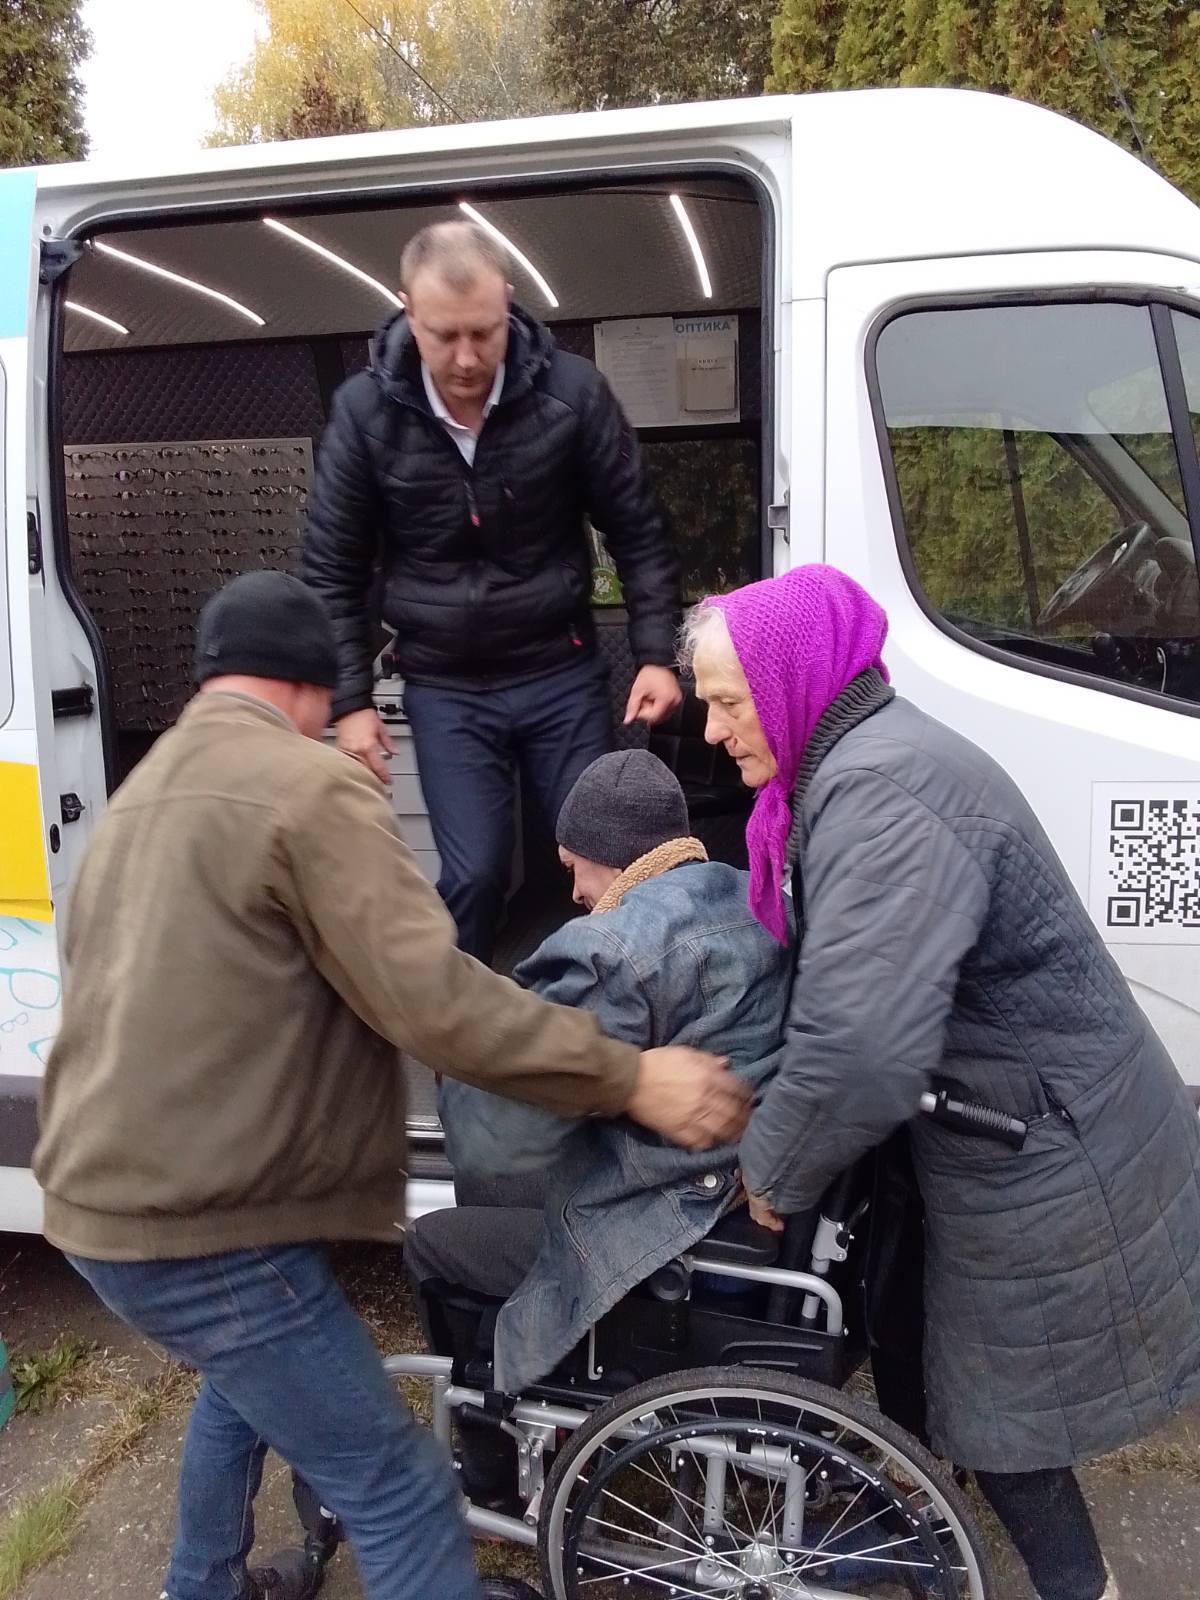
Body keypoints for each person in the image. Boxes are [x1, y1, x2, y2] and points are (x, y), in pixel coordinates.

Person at [32, 572, 749, 1600]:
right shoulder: (305, 786)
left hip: (95, 1192)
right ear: (313, 684)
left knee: (248, 1383)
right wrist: (629, 1074)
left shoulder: (142, 792)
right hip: (199, 1216)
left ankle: (203, 1584)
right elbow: (436, 1000)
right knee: (400, 1491)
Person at [681, 562, 1200, 1600]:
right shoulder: (857, 763)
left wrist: (771, 1167)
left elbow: (860, 1046)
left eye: (729, 702)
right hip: (1012, 1117)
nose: (712, 728)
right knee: (922, 1342)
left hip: (1045, 1142)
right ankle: (917, 1515)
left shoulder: (881, 792)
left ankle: (1079, 1586)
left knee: (1000, 1405)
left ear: (790, 680)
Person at [400, 748, 792, 1501]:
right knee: (492, 1192)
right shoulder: (753, 899)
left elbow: (493, 1139)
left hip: (661, 1223)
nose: (576, 892)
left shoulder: (611, 949)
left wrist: (469, 1059)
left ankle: (491, 1453)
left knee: (436, 1240)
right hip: (726, 1190)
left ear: (608, 857)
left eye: (573, 867)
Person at [303, 219, 683, 963]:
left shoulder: (572, 393)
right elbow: (330, 569)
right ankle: (464, 1026)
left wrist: (655, 654)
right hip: (446, 685)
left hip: (559, 670)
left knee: (599, 863)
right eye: (444, 336)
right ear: (408, 311)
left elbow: (639, 529)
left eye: (483, 332)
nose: (467, 357)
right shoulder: (363, 413)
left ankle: (613, 1010)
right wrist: (348, 703)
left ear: (508, 302)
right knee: (473, 876)